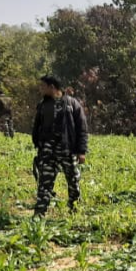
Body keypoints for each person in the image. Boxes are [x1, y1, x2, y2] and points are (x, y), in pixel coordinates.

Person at [31, 75, 88, 216]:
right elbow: (37, 126)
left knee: (73, 181)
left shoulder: (72, 104)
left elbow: (82, 128)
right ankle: (39, 213)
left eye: (43, 86)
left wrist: (81, 151)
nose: (40, 89)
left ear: (52, 87)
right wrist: (38, 144)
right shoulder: (43, 105)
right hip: (47, 151)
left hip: (67, 150)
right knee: (44, 183)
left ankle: (74, 210)